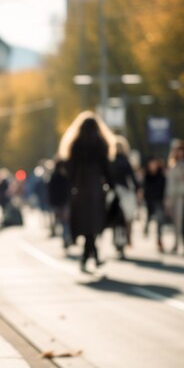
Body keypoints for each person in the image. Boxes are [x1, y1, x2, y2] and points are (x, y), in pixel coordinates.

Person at [58, 111, 115, 272]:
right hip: (96, 191)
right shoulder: (101, 144)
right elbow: (107, 169)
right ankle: (90, 258)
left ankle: (90, 258)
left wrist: (70, 190)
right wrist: (111, 186)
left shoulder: (74, 145)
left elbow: (70, 170)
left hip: (80, 191)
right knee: (93, 225)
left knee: (86, 226)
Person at [111, 135, 139, 258]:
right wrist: (138, 189)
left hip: (113, 192)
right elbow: (132, 177)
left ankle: (117, 241)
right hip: (124, 192)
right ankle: (125, 240)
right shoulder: (125, 161)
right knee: (126, 218)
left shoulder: (110, 160)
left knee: (114, 218)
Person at [164, 140, 184, 256]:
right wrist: (168, 197)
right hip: (174, 197)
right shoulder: (172, 164)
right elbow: (169, 183)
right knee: (176, 222)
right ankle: (176, 244)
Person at [142, 157, 166, 252]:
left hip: (159, 200)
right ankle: (146, 228)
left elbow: (164, 187)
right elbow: (144, 188)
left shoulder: (161, 175)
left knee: (159, 221)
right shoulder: (147, 175)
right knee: (149, 216)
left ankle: (159, 239)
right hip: (149, 201)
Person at [48, 158, 72, 250]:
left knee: (65, 222)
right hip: (60, 203)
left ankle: (66, 238)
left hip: (63, 203)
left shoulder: (63, 177)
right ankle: (65, 238)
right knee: (63, 222)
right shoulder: (56, 177)